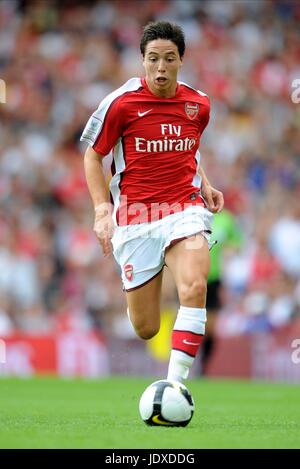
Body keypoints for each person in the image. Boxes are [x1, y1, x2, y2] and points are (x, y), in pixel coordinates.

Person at [81, 21, 224, 384]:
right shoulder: (121, 105)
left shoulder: (199, 104)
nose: (161, 68)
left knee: (194, 286)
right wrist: (101, 211)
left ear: (181, 60)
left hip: (184, 208)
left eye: (169, 59)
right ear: (142, 60)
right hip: (136, 217)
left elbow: (188, 149)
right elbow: (92, 158)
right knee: (145, 327)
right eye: (153, 59)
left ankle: (175, 387)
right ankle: (146, 275)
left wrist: (204, 184)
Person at [200, 208, 243, 375]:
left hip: (213, 278)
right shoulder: (192, 214)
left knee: (209, 326)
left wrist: (230, 252)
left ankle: (203, 365)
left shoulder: (226, 219)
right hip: (190, 275)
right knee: (187, 319)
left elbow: (237, 242)